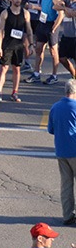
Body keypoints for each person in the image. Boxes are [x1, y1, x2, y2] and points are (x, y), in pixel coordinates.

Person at [48, 79, 76, 226]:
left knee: (66, 184)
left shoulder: (55, 107)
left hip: (61, 150)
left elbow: (50, 129)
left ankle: (67, 215)